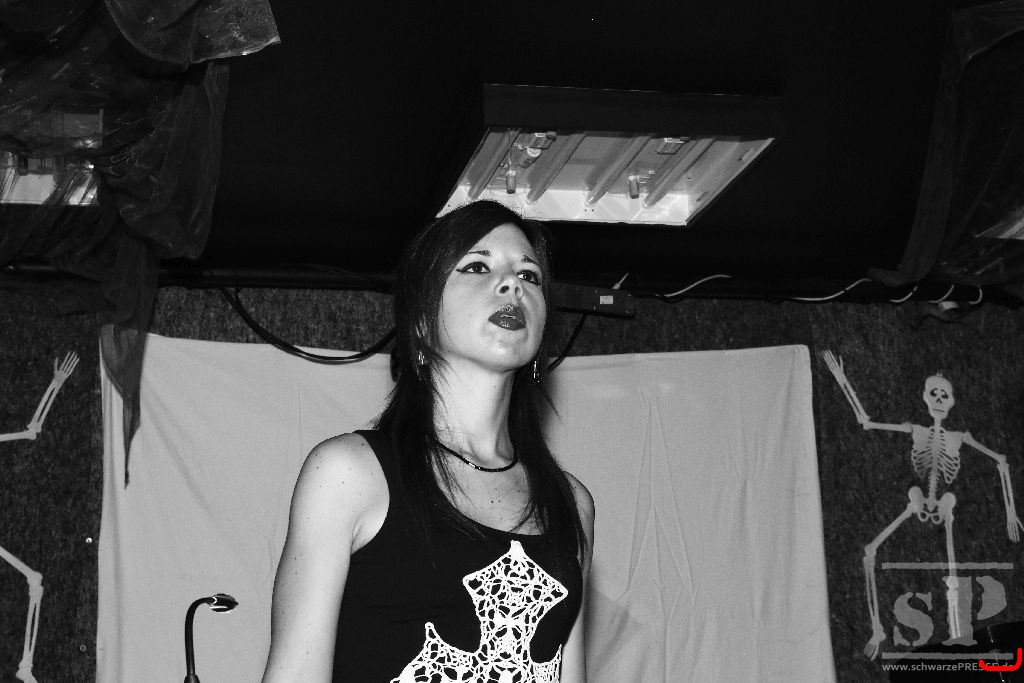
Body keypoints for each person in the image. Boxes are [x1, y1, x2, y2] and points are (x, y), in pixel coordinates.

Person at [261, 200, 595, 682]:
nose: (512, 285)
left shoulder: (571, 503)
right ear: (420, 320)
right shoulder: (350, 473)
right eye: (477, 267)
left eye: (530, 275)